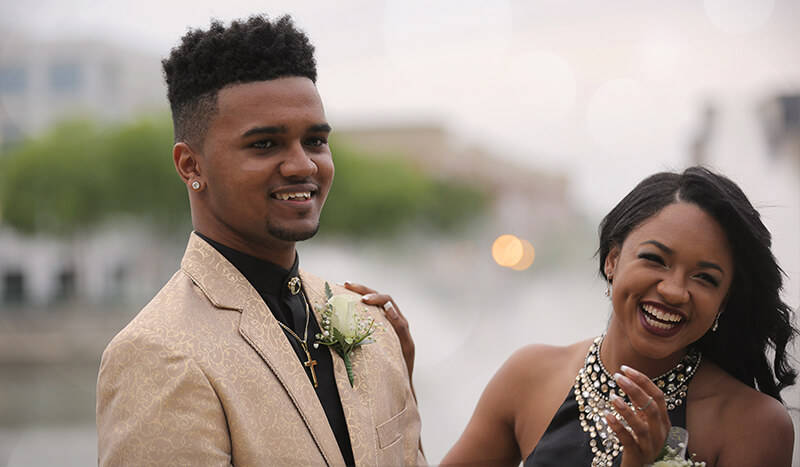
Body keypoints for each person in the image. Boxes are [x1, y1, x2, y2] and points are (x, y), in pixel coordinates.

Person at [96, 15, 424, 466]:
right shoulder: (158, 353)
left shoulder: (368, 326)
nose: (302, 165)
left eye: (314, 140)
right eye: (265, 144)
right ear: (191, 166)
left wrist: (399, 370)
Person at [435, 167, 797, 466]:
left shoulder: (754, 425)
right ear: (612, 261)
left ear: (724, 301)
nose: (673, 290)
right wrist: (393, 375)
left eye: (705, 277)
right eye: (654, 259)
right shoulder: (529, 376)